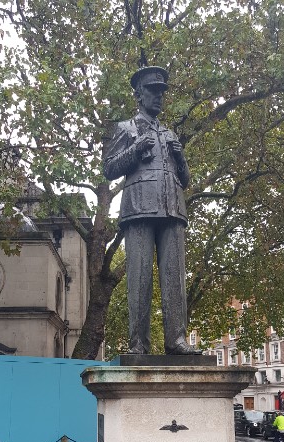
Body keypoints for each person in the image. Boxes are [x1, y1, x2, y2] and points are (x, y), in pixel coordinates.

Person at [103, 66, 201, 355]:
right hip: (139, 208)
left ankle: (177, 341)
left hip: (172, 208)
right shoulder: (126, 129)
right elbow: (109, 169)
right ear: (139, 94)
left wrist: (180, 156)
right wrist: (135, 149)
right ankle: (138, 344)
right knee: (139, 277)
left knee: (174, 277)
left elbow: (185, 179)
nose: (159, 97)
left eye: (162, 92)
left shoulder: (169, 133)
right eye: (153, 91)